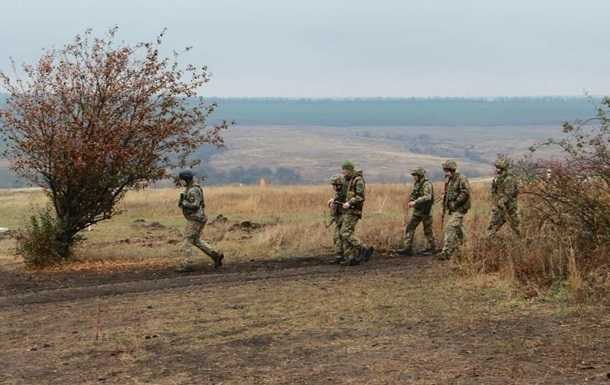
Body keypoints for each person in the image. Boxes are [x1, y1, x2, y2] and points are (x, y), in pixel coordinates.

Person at [177, 170, 224, 272]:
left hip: (195, 219)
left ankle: (187, 264)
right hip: (197, 218)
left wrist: (184, 203)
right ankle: (215, 255)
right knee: (196, 240)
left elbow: (195, 205)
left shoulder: (193, 190)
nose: (181, 182)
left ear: (186, 180)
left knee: (187, 241)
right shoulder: (192, 188)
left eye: (181, 180)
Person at [337, 161, 374, 265]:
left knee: (345, 232)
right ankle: (350, 258)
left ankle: (364, 248)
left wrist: (349, 203)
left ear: (349, 170)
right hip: (348, 210)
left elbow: (360, 197)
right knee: (346, 233)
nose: (343, 172)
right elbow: (343, 194)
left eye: (344, 170)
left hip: (354, 210)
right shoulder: (349, 180)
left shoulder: (358, 180)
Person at [398, 167, 436, 256]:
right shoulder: (417, 184)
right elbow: (414, 194)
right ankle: (407, 248)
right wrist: (411, 200)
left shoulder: (427, 184)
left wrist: (415, 202)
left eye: (415, 175)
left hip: (426, 211)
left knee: (428, 230)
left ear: (419, 175)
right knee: (410, 227)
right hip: (418, 211)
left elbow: (428, 197)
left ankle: (431, 248)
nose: (413, 177)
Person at [439, 160, 471, 260]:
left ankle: (446, 252)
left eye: (446, 170)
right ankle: (467, 247)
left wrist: (456, 202)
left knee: (450, 227)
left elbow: (465, 192)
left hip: (460, 208)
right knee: (458, 229)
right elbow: (449, 192)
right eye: (444, 170)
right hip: (453, 209)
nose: (445, 172)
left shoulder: (461, 178)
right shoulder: (449, 179)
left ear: (451, 169)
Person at [487, 158, 521, 237]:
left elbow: (509, 194)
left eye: (499, 168)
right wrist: (496, 201)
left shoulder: (509, 179)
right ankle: (489, 239)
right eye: (497, 168)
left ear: (504, 169)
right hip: (499, 206)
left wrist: (501, 201)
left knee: (515, 225)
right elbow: (494, 191)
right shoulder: (497, 178)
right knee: (493, 223)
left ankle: (520, 240)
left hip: (510, 207)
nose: (497, 170)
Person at [327, 174, 347, 264]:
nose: (333, 187)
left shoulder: (344, 192)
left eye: (334, 185)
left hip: (344, 216)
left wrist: (334, 201)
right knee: (336, 237)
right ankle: (339, 256)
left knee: (343, 236)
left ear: (339, 185)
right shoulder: (339, 192)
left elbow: (343, 203)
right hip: (338, 216)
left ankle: (348, 256)